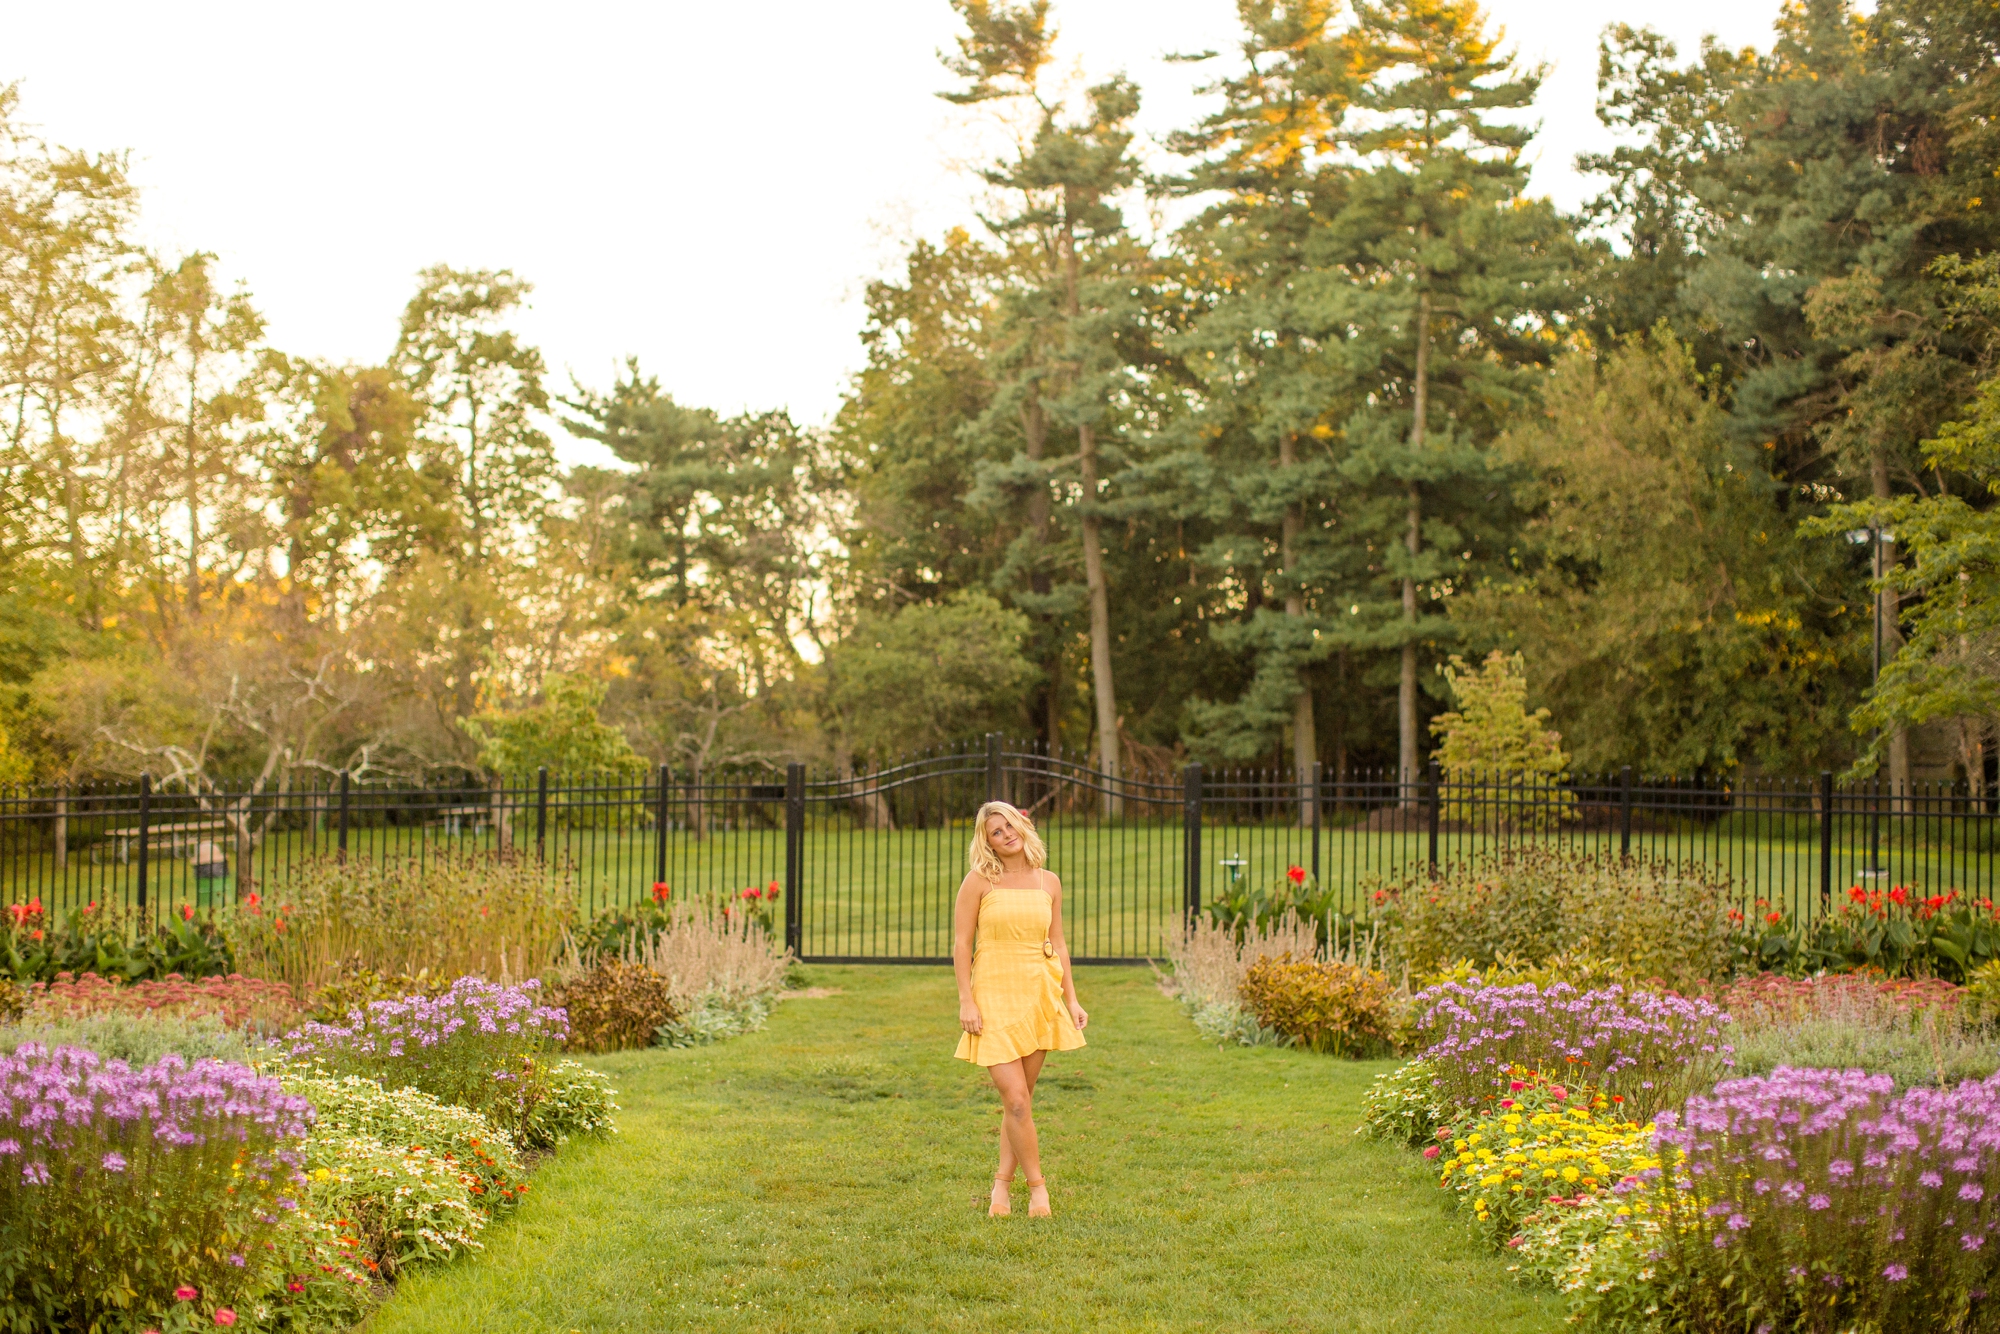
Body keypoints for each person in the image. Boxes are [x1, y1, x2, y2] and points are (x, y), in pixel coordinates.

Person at [952, 800, 1087, 1218]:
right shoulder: (978, 882)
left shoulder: (1049, 881)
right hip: (992, 994)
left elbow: (1059, 942)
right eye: (996, 831)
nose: (1006, 833)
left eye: (1010, 825)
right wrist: (966, 1000)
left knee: (1021, 1102)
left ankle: (1000, 1189)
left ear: (1022, 826)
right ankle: (1039, 1191)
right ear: (987, 841)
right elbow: (961, 944)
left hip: (1038, 993)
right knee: (1015, 1100)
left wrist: (1072, 998)